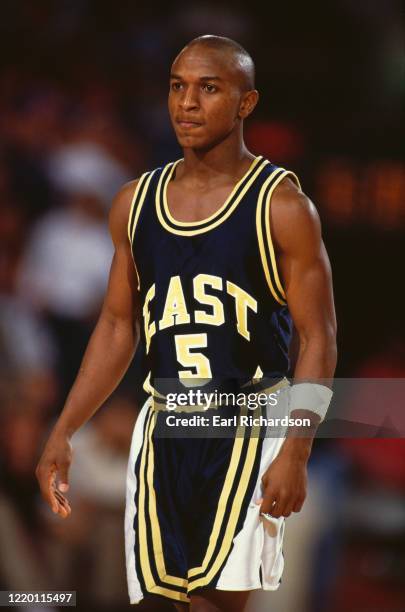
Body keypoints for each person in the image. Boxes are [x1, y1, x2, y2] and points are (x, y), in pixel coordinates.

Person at [36, 35, 337, 612]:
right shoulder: (134, 202)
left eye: (209, 87)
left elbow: (319, 337)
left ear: (246, 103)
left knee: (212, 605)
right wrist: (65, 426)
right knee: (154, 603)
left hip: (248, 425)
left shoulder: (282, 206)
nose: (187, 103)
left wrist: (296, 450)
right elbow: (118, 327)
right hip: (165, 424)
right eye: (177, 86)